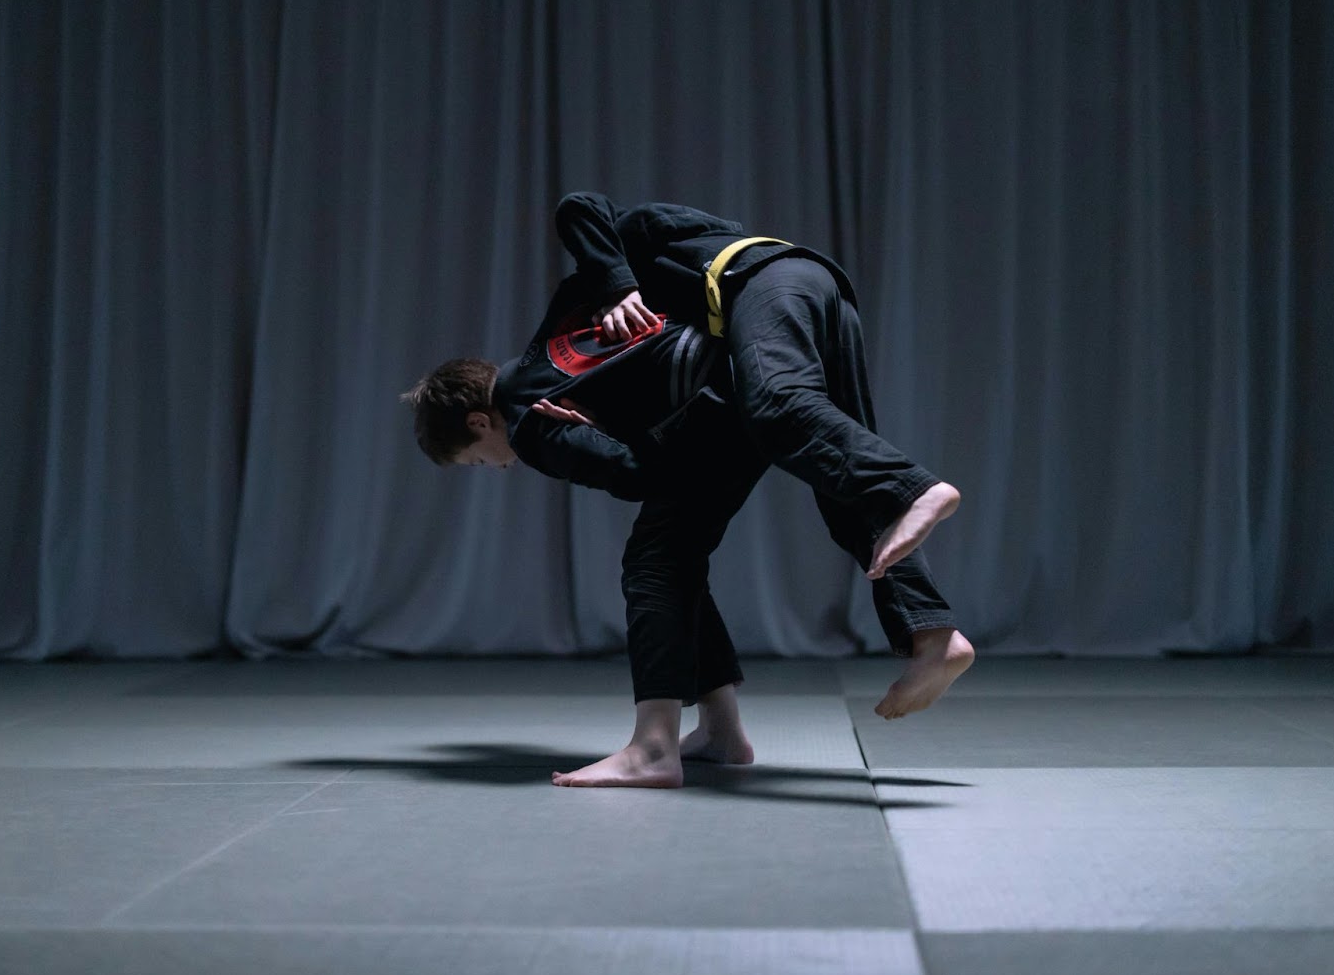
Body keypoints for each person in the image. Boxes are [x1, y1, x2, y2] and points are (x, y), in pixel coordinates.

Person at [553, 192, 973, 715]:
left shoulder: (619, 255)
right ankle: (934, 637)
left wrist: (615, 288)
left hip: (765, 281)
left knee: (776, 405)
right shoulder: (654, 292)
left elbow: (578, 205)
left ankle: (916, 486)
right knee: (842, 487)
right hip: (817, 296)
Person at [403, 278, 771, 788]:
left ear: (479, 422)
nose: (493, 468)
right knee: (674, 564)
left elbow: (637, 477)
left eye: (475, 460)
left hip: (724, 408)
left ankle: (654, 750)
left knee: (653, 569)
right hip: (731, 395)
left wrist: (587, 434)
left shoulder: (531, 421)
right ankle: (721, 731)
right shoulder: (548, 363)